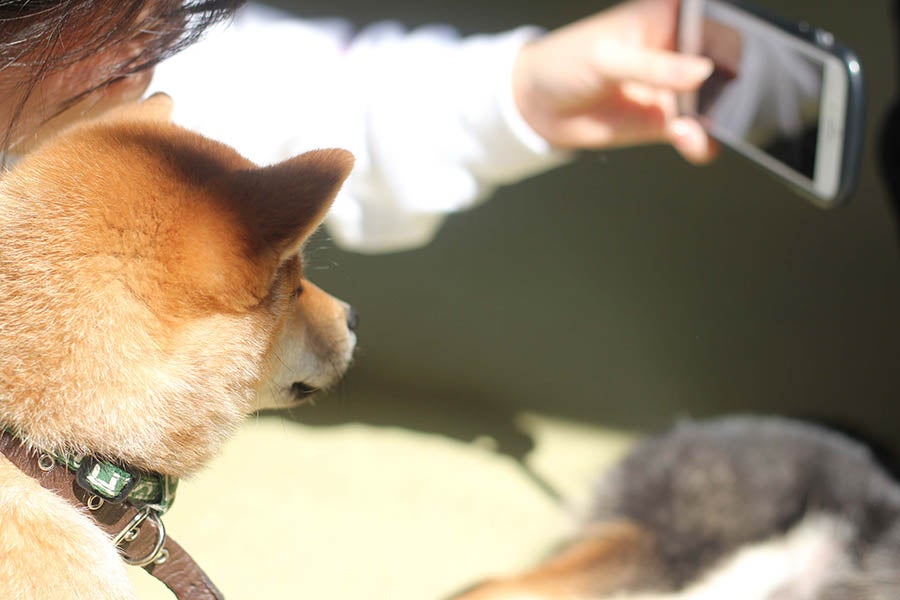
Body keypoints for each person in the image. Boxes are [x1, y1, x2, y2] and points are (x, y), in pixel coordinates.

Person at [2, 0, 716, 253]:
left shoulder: (135, 69)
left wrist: (520, 91)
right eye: (128, 19)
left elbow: (281, 97)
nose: (151, 53)